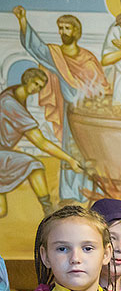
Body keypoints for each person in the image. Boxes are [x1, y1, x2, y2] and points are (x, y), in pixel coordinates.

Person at [14, 6, 110, 204]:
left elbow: (101, 85)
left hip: (89, 114)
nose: (63, 32)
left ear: (76, 31)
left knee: (90, 150)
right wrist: (23, 21)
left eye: (67, 28)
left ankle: (91, 191)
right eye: (61, 28)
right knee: (70, 150)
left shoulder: (88, 58)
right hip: (70, 113)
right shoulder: (56, 56)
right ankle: (70, 193)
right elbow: (36, 48)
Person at [0, 67, 82, 217]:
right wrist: (69, 159)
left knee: (1, 210)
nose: (36, 89)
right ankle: (48, 210)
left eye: (40, 87)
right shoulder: (10, 103)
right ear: (27, 80)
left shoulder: (14, 93)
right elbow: (41, 142)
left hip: (4, 152)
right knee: (35, 165)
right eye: (35, 83)